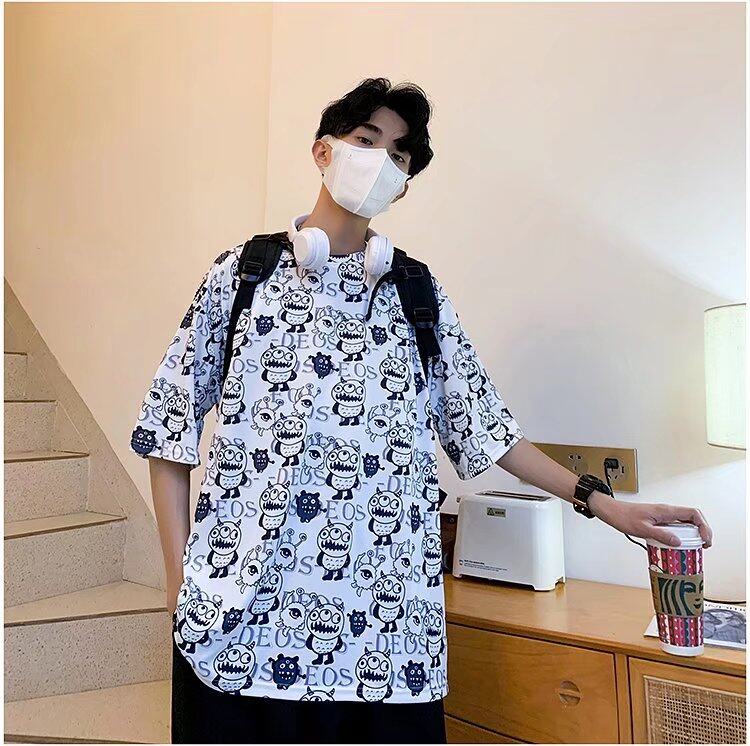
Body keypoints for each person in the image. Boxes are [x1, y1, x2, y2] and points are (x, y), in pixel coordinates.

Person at [128, 77, 713, 745]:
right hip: (237, 625)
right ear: (323, 152)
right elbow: (168, 428)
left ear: (403, 186)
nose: (381, 161)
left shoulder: (416, 294)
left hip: (387, 640)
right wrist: (179, 585)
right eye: (365, 139)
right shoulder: (242, 276)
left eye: (399, 155)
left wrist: (609, 506)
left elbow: (489, 431)